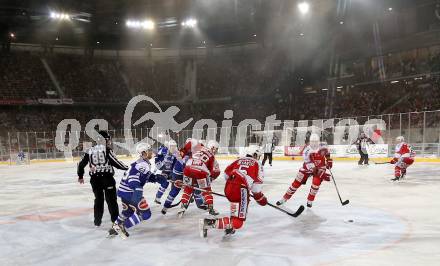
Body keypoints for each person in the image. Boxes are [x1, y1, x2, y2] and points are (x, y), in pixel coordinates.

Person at [199, 145, 267, 237]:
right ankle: (208, 223)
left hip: (229, 188)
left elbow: (226, 175)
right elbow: (256, 190)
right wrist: (262, 200)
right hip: (241, 189)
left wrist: (236, 184)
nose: (258, 158)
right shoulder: (257, 164)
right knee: (238, 222)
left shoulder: (237, 160)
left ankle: (229, 228)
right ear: (254, 154)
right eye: (258, 155)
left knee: (235, 204)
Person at [111, 143, 167, 238]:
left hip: (124, 191)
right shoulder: (143, 164)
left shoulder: (141, 162)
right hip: (131, 193)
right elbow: (133, 178)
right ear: (144, 153)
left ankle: (114, 227)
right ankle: (122, 226)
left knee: (127, 211)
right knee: (146, 214)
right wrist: (137, 190)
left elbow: (143, 177)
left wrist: (156, 178)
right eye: (149, 150)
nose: (151, 152)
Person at [77, 130, 128, 228]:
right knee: (111, 200)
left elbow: (81, 164)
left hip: (95, 180)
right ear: (104, 140)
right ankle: (115, 222)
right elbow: (116, 163)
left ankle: (97, 221)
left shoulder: (89, 150)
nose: (109, 141)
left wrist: (80, 176)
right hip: (107, 178)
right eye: (108, 139)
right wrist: (128, 168)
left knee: (98, 200)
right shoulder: (107, 150)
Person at [276, 134, 333, 208]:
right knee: (296, 183)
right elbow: (312, 167)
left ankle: (310, 200)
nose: (314, 143)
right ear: (310, 141)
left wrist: (329, 160)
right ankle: (284, 198)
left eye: (316, 141)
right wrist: (322, 174)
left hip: (320, 166)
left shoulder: (324, 146)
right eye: (312, 141)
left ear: (318, 141)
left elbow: (327, 154)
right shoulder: (306, 150)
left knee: (316, 183)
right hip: (308, 168)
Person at [177, 139, 221, 217]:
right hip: (201, 171)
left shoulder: (199, 146)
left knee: (188, 188)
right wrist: (208, 179)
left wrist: (183, 151)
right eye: (216, 149)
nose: (216, 151)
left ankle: (183, 206)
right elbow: (213, 170)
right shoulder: (212, 156)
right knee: (207, 190)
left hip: (188, 168)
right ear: (213, 147)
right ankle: (211, 208)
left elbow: (191, 141)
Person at [154, 140, 178, 204]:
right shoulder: (164, 150)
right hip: (165, 170)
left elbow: (176, 162)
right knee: (165, 183)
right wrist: (158, 165)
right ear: (169, 146)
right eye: (172, 146)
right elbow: (157, 156)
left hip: (172, 171)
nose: (173, 148)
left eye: (174, 146)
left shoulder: (176, 153)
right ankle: (157, 198)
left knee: (176, 184)